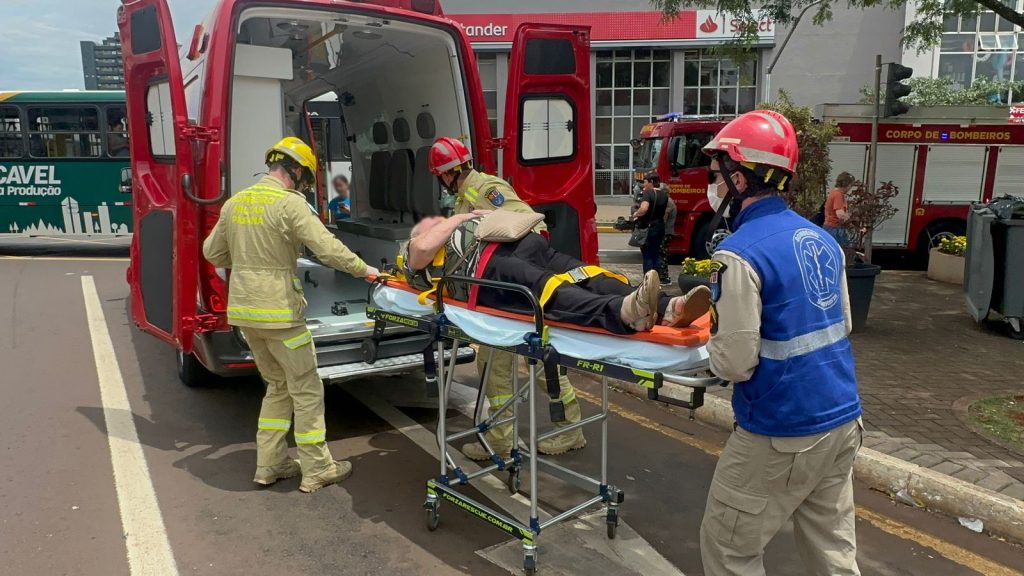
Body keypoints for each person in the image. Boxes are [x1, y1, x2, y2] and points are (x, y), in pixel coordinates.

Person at [698, 110, 863, 576]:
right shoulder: (822, 240)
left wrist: (699, 346)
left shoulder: (738, 253)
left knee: (729, 546)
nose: (713, 186)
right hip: (842, 419)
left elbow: (733, 363)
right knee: (831, 548)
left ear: (740, 177)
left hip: (782, 428)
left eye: (717, 175)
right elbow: (842, 324)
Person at [203, 137, 379, 493]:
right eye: (304, 177)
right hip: (280, 314)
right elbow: (327, 249)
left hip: (245, 314)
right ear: (296, 170)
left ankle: (269, 465)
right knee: (307, 388)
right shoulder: (290, 205)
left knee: (277, 386)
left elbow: (212, 252)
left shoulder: (235, 203)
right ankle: (317, 469)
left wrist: (248, 261)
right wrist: (366, 271)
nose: (304, 185)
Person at [426, 136, 583, 461]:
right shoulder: (466, 194)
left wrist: (516, 267)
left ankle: (504, 442)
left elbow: (525, 220)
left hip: (511, 289)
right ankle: (567, 429)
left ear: (445, 173)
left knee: (498, 364)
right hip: (505, 288)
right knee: (533, 359)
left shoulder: (482, 189)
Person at [401, 211, 711, 334]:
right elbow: (422, 252)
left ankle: (666, 306)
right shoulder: (414, 247)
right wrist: (460, 217)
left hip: (520, 245)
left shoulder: (451, 227)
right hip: (486, 267)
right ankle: (624, 312)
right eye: (430, 220)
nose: (434, 219)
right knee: (547, 287)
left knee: (585, 273)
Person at [630, 173, 670, 277]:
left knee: (647, 255)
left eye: (645, 182)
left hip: (649, 228)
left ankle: (647, 281)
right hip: (660, 227)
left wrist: (635, 214)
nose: (644, 185)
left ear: (651, 182)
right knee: (656, 254)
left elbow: (644, 209)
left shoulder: (648, 193)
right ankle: (656, 280)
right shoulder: (664, 195)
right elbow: (665, 213)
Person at [823, 171, 854, 246]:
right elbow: (840, 214)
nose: (850, 187)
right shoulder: (838, 195)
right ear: (847, 184)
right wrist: (852, 220)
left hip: (830, 228)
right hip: (834, 229)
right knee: (842, 251)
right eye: (851, 185)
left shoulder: (834, 192)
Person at [658, 180, 677, 286]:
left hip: (666, 231)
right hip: (667, 231)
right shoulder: (669, 200)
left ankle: (664, 277)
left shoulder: (667, 202)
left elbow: (664, 218)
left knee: (662, 254)